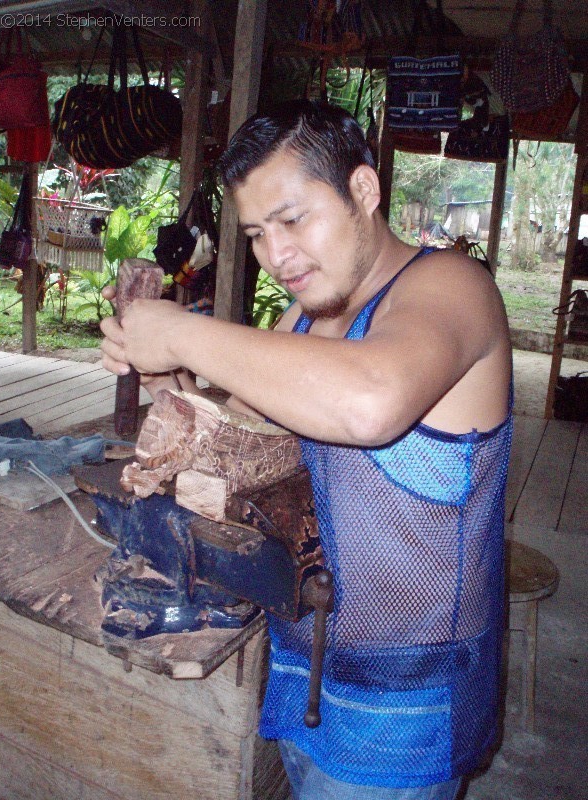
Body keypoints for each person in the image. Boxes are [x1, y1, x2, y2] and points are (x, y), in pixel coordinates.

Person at [100, 100, 513, 800]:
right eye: (258, 234)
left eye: (293, 220)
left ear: (362, 190)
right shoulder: (310, 314)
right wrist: (168, 377)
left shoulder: (453, 289)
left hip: (404, 713)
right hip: (305, 671)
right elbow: (244, 428)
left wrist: (183, 335)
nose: (276, 256)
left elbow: (369, 405)